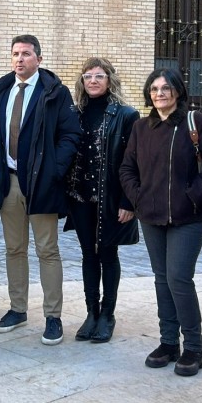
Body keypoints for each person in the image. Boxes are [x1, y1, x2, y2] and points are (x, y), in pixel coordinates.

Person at [120, 68, 202, 376]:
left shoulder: (197, 123)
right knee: (161, 278)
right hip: (151, 216)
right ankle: (168, 342)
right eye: (154, 89)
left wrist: (192, 195)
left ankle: (193, 347)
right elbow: (127, 168)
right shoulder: (141, 128)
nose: (159, 93)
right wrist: (139, 196)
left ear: (178, 92)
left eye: (166, 88)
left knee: (179, 278)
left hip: (188, 217)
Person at [0, 35, 80, 345]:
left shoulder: (54, 92)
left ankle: (53, 316)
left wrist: (55, 171)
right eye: (15, 54)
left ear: (38, 58)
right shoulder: (1, 92)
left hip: (42, 183)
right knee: (14, 248)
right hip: (8, 182)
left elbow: (70, 134)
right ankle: (17, 309)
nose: (20, 59)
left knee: (47, 250)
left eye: (26, 53)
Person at [63, 58, 140, 344]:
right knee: (87, 253)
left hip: (110, 197)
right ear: (81, 82)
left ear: (109, 80)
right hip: (79, 196)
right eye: (88, 76)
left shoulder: (126, 115)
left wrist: (129, 202)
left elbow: (134, 163)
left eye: (99, 76)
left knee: (108, 254)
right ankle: (91, 312)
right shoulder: (74, 113)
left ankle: (108, 314)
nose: (93, 81)